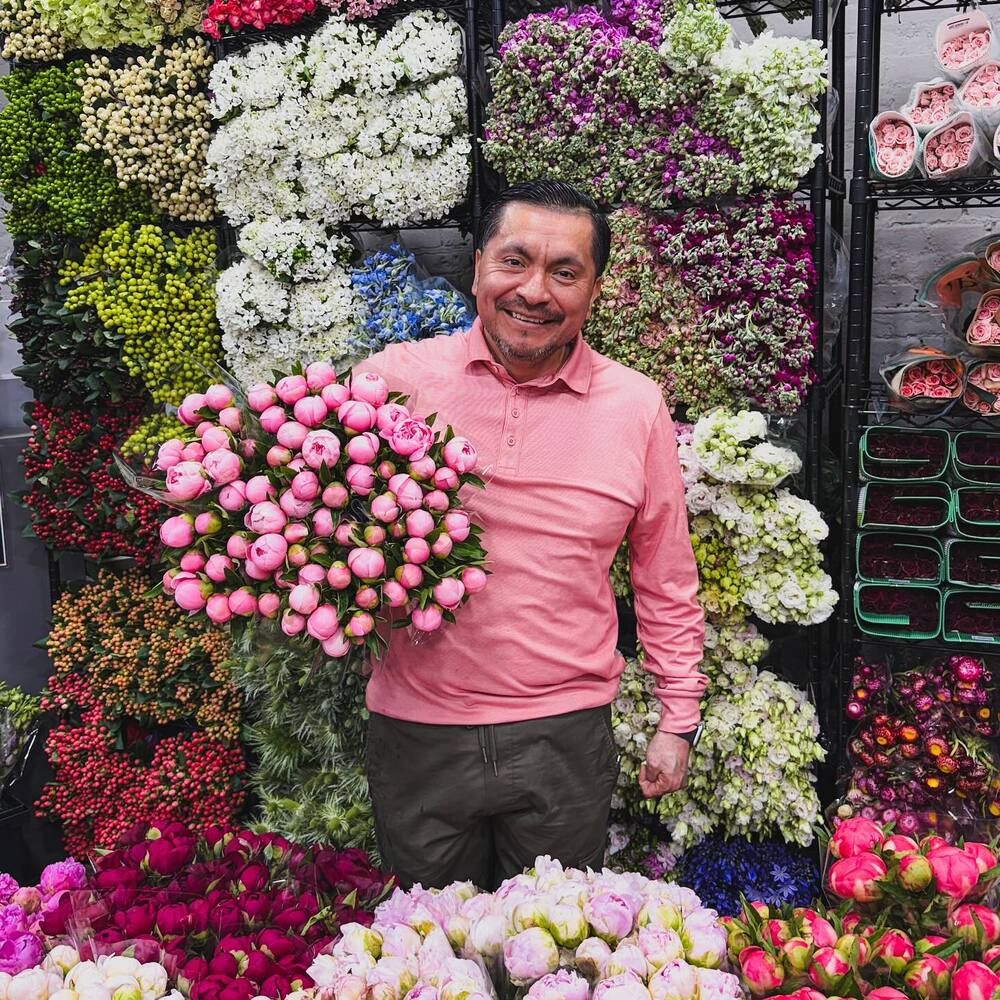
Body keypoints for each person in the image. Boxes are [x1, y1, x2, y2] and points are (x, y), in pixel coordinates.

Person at [355, 179, 706, 890]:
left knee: (551, 952)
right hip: (419, 732)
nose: (534, 291)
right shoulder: (391, 384)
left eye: (565, 272)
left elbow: (664, 575)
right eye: (514, 262)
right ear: (479, 265)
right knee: (428, 957)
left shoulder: (635, 406)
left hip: (563, 736)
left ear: (595, 288)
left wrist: (678, 719)